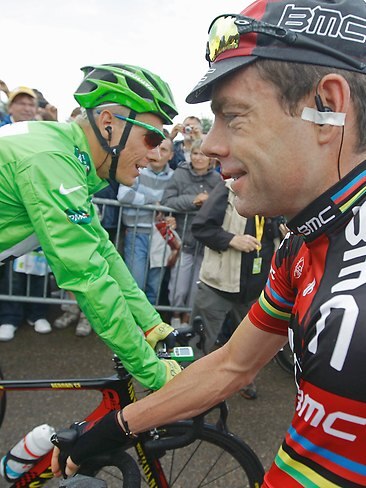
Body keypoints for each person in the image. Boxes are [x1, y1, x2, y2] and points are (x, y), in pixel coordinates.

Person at [52, 1, 366, 486]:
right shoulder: (302, 242)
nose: (210, 145)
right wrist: (114, 428)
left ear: (327, 106)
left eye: (233, 117)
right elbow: (231, 366)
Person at [0, 63, 182, 390]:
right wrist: (153, 372)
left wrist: (152, 324)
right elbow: (88, 277)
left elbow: (103, 251)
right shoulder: (52, 160)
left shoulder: (70, 153)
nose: (155, 154)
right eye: (151, 138)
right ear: (108, 124)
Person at [190, 177, 282, 398]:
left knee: (249, 345)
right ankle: (184, 389)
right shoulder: (228, 189)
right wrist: (232, 239)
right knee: (199, 341)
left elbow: (274, 234)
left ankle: (242, 382)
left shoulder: (276, 190)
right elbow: (200, 227)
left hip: (255, 290)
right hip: (219, 285)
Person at [0, 85, 52, 341]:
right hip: (11, 213)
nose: (26, 108)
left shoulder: (41, 132)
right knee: (12, 269)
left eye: (30, 104)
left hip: (37, 211)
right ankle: (9, 317)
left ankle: (37, 312)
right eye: (21, 103)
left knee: (39, 267)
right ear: (10, 107)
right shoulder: (3, 131)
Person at [161, 139, 221, 328]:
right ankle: (175, 316)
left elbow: (222, 208)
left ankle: (188, 321)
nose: (198, 158)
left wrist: (210, 203)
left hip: (205, 244)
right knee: (177, 288)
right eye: (195, 153)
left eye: (203, 154)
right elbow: (167, 201)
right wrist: (193, 201)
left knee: (197, 288)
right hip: (184, 240)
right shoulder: (180, 174)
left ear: (211, 159)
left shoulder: (217, 180)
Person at [117, 137, 176, 305]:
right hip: (137, 233)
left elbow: (174, 203)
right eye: (156, 147)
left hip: (161, 236)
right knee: (135, 283)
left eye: (164, 150)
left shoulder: (174, 177)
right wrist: (153, 202)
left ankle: (149, 328)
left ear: (171, 155)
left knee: (154, 286)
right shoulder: (139, 169)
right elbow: (124, 195)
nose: (158, 153)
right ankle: (132, 326)